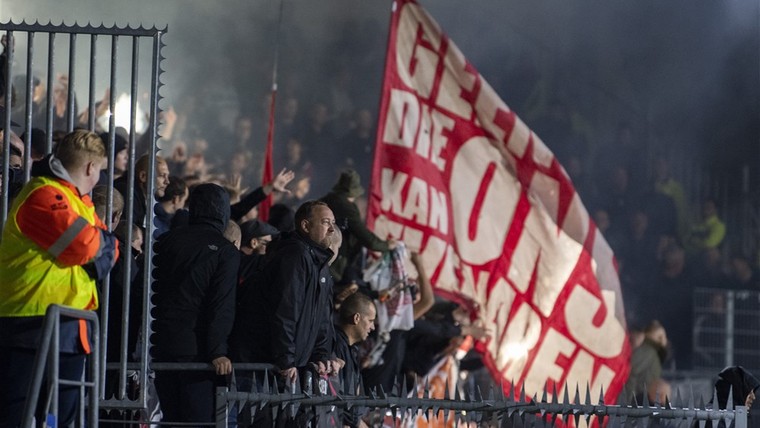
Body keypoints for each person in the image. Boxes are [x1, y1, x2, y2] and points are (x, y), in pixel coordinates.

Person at [0, 130, 119, 427]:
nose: (99, 178)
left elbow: (111, 248)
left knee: (60, 418)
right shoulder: (43, 193)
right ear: (91, 167)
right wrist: (96, 250)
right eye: (101, 171)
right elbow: (85, 245)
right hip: (29, 325)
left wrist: (97, 248)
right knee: (19, 415)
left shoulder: (78, 202)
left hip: (67, 328)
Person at [151, 183, 239, 425]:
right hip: (199, 356)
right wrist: (217, 351)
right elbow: (221, 304)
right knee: (197, 420)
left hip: (161, 347)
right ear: (223, 211)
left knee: (170, 419)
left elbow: (147, 290)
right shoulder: (225, 251)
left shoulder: (164, 242)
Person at [231, 200, 338, 383]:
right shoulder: (295, 255)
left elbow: (321, 319)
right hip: (264, 365)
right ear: (305, 225)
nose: (331, 230)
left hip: (287, 366)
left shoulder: (319, 263)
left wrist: (321, 355)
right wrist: (286, 360)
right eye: (326, 222)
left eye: (333, 224)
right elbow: (285, 310)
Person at [320, 169, 396, 284]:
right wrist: (386, 245)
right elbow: (367, 239)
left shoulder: (326, 200)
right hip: (332, 266)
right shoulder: (347, 208)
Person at [334, 292, 375, 428]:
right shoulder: (335, 346)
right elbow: (337, 398)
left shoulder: (350, 350)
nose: (373, 327)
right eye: (370, 321)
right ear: (357, 318)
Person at [113, 153, 170, 231]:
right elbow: (127, 232)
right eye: (162, 175)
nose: (167, 181)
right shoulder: (127, 192)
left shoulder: (148, 196)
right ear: (143, 176)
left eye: (167, 176)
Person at [622, 320, 671, 405]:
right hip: (635, 399)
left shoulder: (652, 352)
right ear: (648, 334)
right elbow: (630, 368)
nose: (663, 340)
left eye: (664, 336)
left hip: (640, 399)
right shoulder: (649, 351)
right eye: (659, 336)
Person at [237, 219, 280, 285]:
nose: (271, 248)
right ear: (254, 243)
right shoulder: (246, 264)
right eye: (268, 243)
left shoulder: (232, 258)